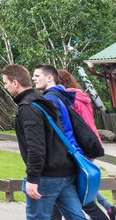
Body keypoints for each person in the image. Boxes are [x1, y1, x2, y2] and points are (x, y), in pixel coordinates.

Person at [3, 64, 85, 220]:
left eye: (6, 83)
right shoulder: (42, 101)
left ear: (15, 83)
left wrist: (33, 178)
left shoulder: (28, 108)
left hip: (47, 175)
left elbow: (36, 146)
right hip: (65, 171)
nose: (5, 87)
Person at [59, 69, 114, 220]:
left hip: (83, 145)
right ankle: (109, 207)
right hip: (92, 141)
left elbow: (73, 125)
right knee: (85, 180)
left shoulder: (70, 99)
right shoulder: (82, 96)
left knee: (83, 189)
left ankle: (106, 210)